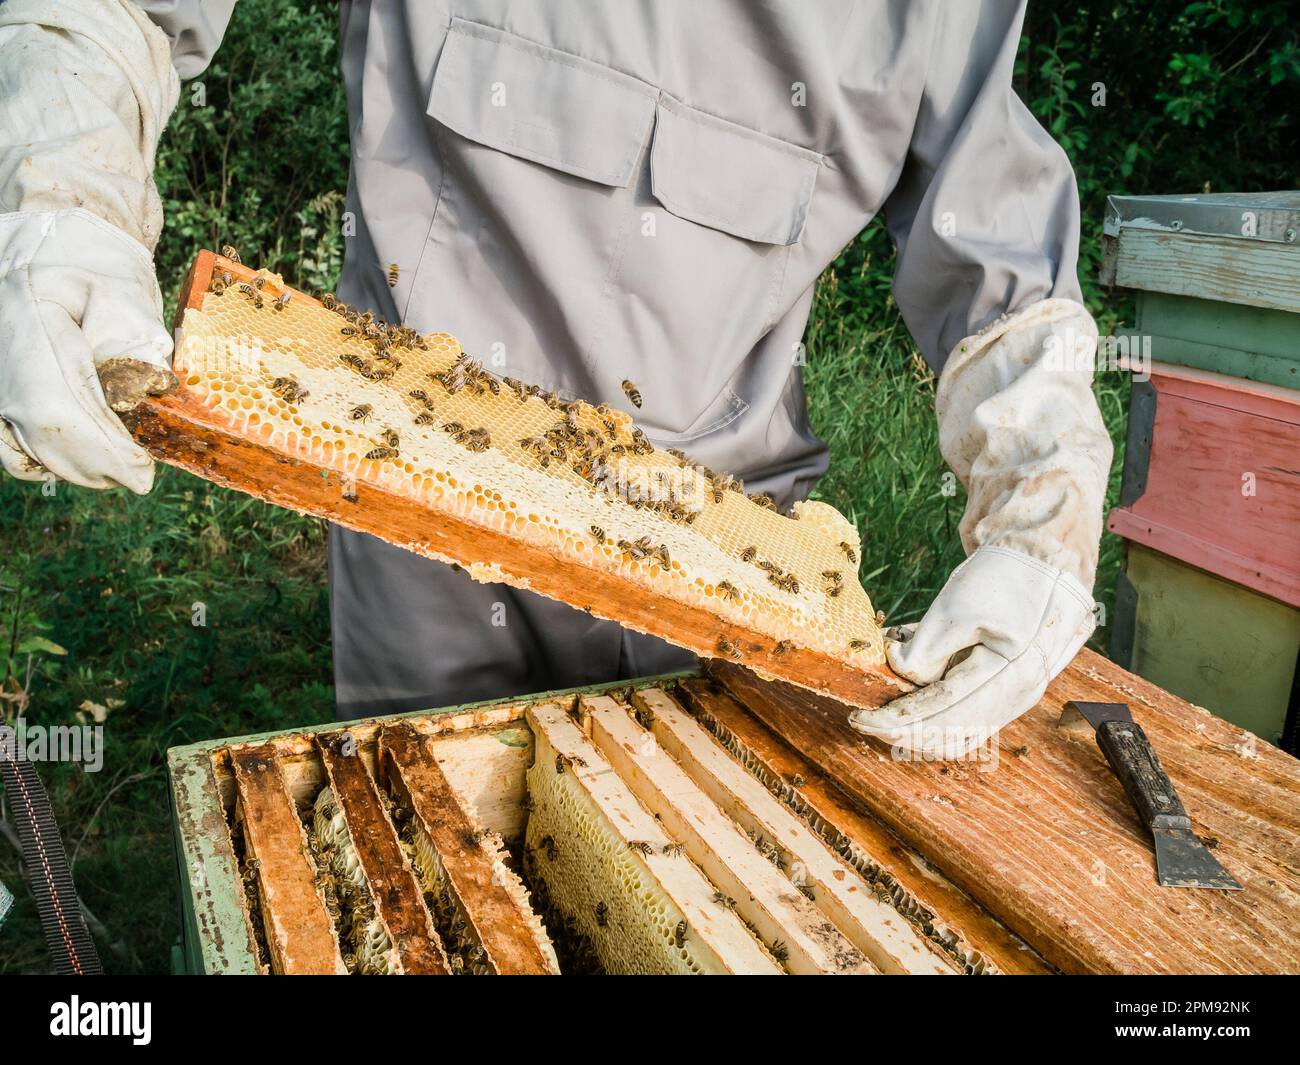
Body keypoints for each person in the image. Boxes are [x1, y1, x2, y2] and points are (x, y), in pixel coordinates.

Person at [0, 1, 1112, 757]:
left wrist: (1042, 511)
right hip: (411, 510)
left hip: (725, 555)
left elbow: (997, 253)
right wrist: (49, 196)